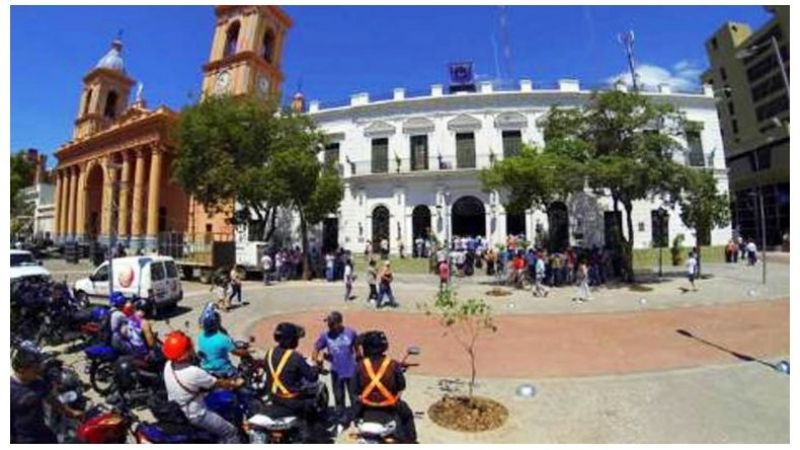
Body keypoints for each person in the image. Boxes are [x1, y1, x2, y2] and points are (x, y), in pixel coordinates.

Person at [162, 330, 243, 443]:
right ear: (185, 353)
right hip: (196, 415)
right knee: (230, 431)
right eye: (189, 347)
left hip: (178, 409)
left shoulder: (168, 365)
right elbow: (218, 383)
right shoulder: (193, 372)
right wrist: (234, 383)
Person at [11, 344, 83, 443]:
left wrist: (71, 412)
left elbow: (52, 399)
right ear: (21, 369)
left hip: (43, 433)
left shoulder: (38, 382)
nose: (39, 370)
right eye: (35, 368)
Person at [353, 330, 417, 443]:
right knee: (407, 416)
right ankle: (411, 442)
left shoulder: (360, 366)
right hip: (389, 407)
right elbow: (401, 387)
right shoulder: (393, 364)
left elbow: (355, 390)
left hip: (365, 408)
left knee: (353, 415)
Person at [265, 323, 322, 438]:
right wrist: (317, 366)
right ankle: (312, 435)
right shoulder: (295, 357)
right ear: (291, 339)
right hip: (293, 401)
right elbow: (312, 377)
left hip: (274, 397)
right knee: (313, 403)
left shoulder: (269, 353)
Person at [312, 312, 359, 427]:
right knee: (338, 396)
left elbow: (357, 349)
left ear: (339, 323)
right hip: (336, 371)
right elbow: (316, 348)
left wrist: (359, 362)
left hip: (351, 370)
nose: (329, 326)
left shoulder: (351, 332)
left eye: (332, 324)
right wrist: (317, 360)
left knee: (354, 396)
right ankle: (342, 420)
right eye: (328, 323)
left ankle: (357, 418)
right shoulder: (325, 335)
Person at [196, 308, 248, 378]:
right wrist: (247, 353)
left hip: (206, 370)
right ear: (217, 323)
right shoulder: (222, 339)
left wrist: (219, 326)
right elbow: (236, 352)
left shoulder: (201, 337)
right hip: (223, 371)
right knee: (243, 379)